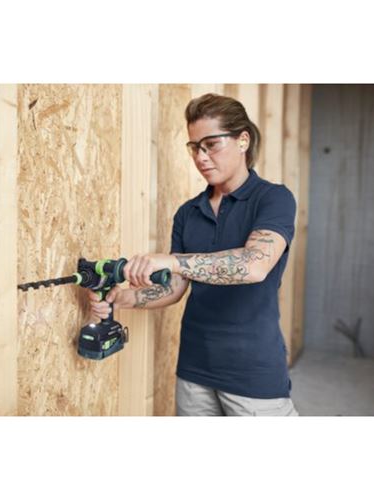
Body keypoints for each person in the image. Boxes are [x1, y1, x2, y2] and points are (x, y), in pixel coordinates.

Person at [88, 93, 299, 416]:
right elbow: (174, 288)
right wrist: (121, 299)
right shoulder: (188, 213)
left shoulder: (273, 199)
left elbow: (254, 265)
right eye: (194, 147)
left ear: (243, 140)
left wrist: (170, 261)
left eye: (211, 145)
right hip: (194, 370)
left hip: (253, 374)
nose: (201, 157)